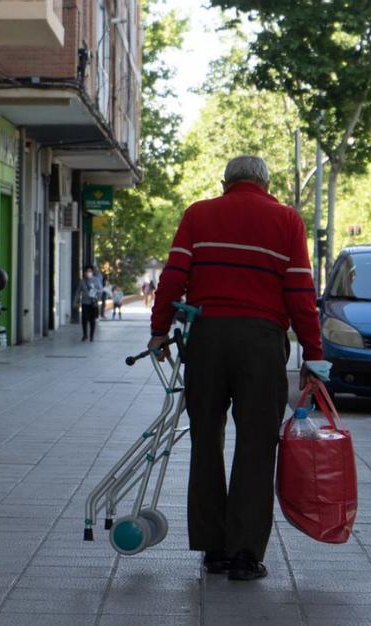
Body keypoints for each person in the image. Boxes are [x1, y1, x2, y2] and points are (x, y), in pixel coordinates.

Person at [147, 155, 323, 581]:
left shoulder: (198, 214)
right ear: (266, 182)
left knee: (205, 440)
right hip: (261, 344)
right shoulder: (287, 221)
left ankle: (212, 548)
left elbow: (173, 275)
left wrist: (158, 330)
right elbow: (300, 290)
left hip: (206, 340)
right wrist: (313, 355)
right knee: (256, 447)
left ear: (225, 181)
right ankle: (245, 554)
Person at [78, 266, 101, 341]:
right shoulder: (82, 281)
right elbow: (78, 292)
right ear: (84, 273)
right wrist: (75, 302)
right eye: (87, 271)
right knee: (84, 319)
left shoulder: (96, 280)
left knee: (92, 320)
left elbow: (100, 290)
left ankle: (92, 336)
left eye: (90, 271)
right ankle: (85, 334)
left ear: (92, 272)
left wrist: (95, 291)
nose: (89, 273)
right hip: (85, 303)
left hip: (93, 303)